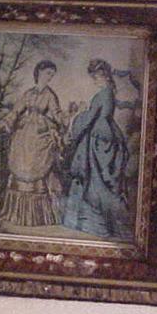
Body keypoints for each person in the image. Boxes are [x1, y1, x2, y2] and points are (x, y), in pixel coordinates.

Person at [62, 59, 132, 240]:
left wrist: (77, 116)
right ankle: (97, 225)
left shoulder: (103, 94)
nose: (95, 80)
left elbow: (90, 118)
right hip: (105, 135)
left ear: (105, 76)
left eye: (96, 77)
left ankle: (95, 226)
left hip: (96, 140)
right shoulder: (109, 93)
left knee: (93, 181)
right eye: (93, 77)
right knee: (97, 181)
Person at [0, 60, 65, 226]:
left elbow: (57, 114)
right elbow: (16, 110)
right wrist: (8, 121)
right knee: (21, 163)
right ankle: (17, 215)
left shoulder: (50, 95)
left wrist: (66, 120)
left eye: (52, 74)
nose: (50, 77)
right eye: (48, 73)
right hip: (24, 134)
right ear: (39, 72)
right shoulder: (28, 93)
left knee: (37, 165)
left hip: (40, 134)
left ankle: (37, 217)